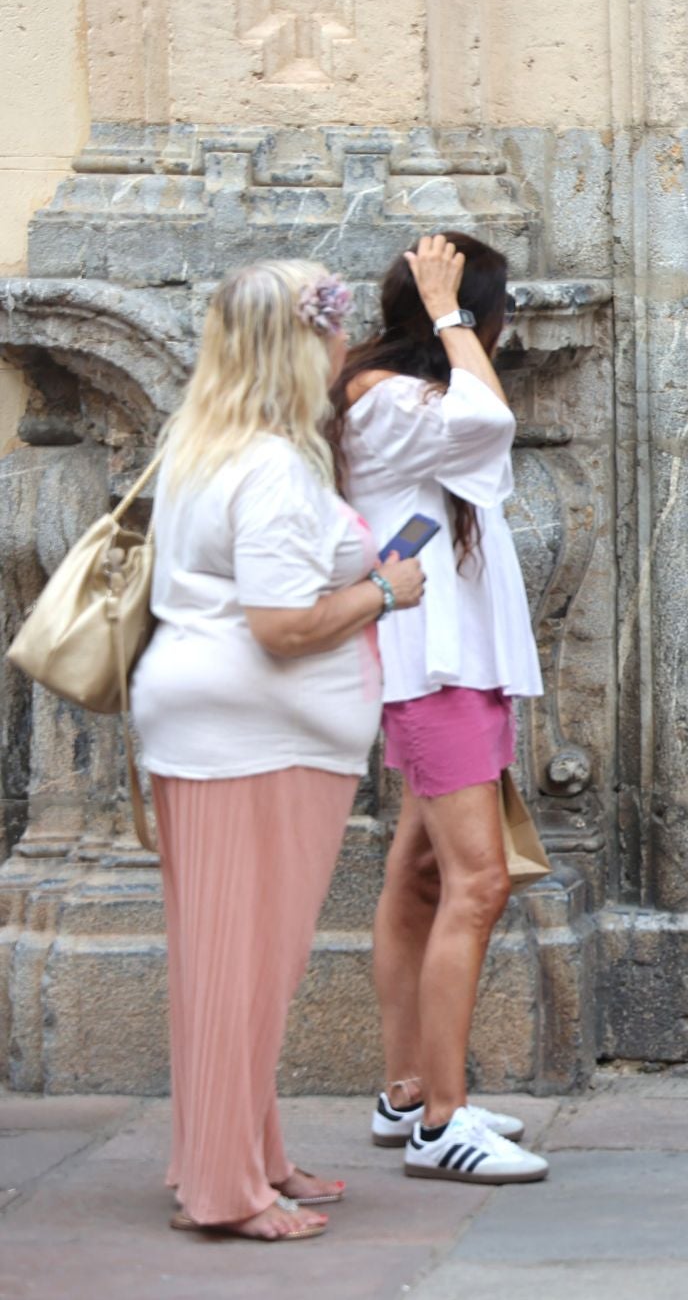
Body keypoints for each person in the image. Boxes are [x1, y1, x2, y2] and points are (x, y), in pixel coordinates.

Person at [133, 260, 426, 1240]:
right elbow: (280, 623)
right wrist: (386, 590)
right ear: (303, 346)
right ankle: (225, 1188)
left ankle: (244, 1151)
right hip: (249, 735)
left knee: (235, 958)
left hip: (224, 728)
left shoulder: (202, 445)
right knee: (244, 965)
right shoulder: (267, 467)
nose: (346, 346)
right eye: (333, 329)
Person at [333, 233, 548, 1183]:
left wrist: (446, 318)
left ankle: (409, 1089)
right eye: (495, 319)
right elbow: (489, 425)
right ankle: (443, 1123)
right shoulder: (385, 400)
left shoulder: (401, 396)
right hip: (435, 673)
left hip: (454, 666)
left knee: (421, 878)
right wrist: (452, 310)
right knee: (478, 884)